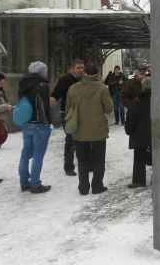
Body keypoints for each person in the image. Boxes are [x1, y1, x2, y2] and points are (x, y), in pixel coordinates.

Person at [65, 64, 113, 195]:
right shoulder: (103, 88)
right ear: (97, 73)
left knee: (82, 159)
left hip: (79, 129)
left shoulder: (73, 88)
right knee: (99, 159)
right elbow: (109, 109)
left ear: (84, 72)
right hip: (98, 130)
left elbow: (68, 108)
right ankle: (97, 186)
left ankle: (83, 187)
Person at [17, 61, 53, 193]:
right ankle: (35, 184)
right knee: (38, 155)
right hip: (39, 124)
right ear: (42, 72)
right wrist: (47, 123)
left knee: (25, 154)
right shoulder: (42, 85)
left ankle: (24, 182)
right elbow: (43, 107)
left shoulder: (23, 84)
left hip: (26, 122)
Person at [50, 59, 85, 176]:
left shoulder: (84, 80)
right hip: (68, 114)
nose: (81, 70)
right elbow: (55, 95)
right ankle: (69, 167)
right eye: (78, 68)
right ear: (71, 68)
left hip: (82, 113)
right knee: (70, 140)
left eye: (82, 68)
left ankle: (85, 164)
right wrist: (47, 110)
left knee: (84, 139)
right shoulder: (64, 80)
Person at [124, 76, 152, 188]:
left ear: (143, 87)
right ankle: (159, 178)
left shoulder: (137, 101)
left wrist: (129, 131)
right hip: (157, 133)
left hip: (140, 135)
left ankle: (139, 180)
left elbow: (131, 118)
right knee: (158, 157)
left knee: (139, 158)